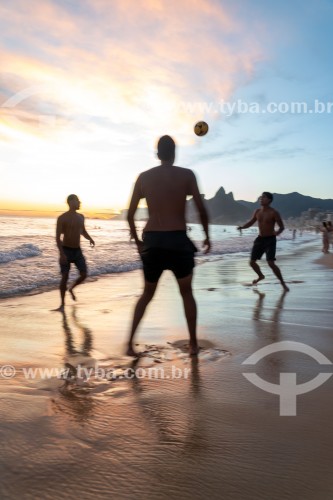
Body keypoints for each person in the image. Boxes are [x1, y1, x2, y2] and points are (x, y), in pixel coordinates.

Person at [127, 135, 210, 357]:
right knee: (186, 293)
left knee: (146, 294)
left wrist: (137, 241)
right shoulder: (187, 175)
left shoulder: (144, 177)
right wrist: (207, 236)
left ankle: (129, 343)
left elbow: (131, 213)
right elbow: (201, 209)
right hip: (177, 241)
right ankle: (193, 344)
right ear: (174, 153)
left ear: (157, 154)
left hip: (152, 241)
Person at [237, 192, 289, 291]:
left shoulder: (274, 212)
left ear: (269, 200)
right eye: (260, 197)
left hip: (270, 240)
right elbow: (251, 222)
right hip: (260, 239)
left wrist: (277, 232)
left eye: (264, 197)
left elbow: (282, 227)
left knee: (271, 263)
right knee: (252, 262)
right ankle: (261, 276)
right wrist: (242, 227)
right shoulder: (257, 211)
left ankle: (283, 283)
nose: (261, 199)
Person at [55, 194, 95, 311]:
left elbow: (83, 231)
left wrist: (90, 238)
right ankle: (62, 304)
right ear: (71, 202)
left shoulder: (81, 217)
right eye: (78, 201)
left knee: (84, 274)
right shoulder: (62, 218)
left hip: (77, 251)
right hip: (66, 250)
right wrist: (62, 254)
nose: (80, 203)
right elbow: (58, 237)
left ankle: (71, 288)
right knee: (65, 277)